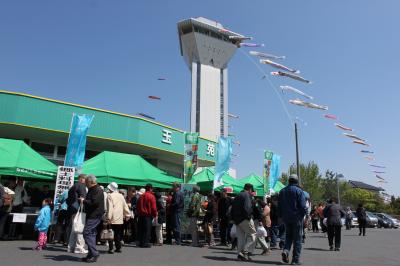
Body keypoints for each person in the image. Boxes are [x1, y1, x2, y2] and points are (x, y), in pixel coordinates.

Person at [278, 174, 307, 265]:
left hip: (286, 218)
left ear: (289, 181)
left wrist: (281, 217)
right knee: (297, 239)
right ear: (296, 181)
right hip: (297, 218)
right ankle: (295, 260)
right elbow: (303, 206)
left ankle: (286, 251)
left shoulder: (282, 191)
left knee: (288, 237)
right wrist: (304, 215)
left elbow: (279, 206)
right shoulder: (299, 191)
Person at [81, 175, 105, 263]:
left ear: (91, 182)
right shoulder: (94, 189)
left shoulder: (97, 189)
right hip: (92, 214)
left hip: (95, 215)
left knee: (86, 232)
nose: (86, 184)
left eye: (87, 182)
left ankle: (94, 253)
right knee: (91, 233)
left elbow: (94, 202)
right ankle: (91, 254)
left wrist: (83, 201)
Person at [231, 183, 256, 261]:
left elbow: (232, 208)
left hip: (237, 220)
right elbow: (247, 207)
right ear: (250, 189)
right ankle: (244, 251)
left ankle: (240, 255)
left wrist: (233, 219)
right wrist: (248, 217)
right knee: (253, 235)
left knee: (241, 238)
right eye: (252, 190)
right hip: (244, 219)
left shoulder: (238, 195)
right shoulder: (247, 195)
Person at [106, 182, 130, 254]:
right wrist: (127, 214)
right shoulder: (121, 195)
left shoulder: (109, 195)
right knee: (118, 233)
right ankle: (118, 247)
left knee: (111, 233)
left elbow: (110, 208)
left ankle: (111, 248)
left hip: (112, 216)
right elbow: (125, 206)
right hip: (119, 217)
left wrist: (108, 217)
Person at [66, 174, 88, 254]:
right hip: (78, 210)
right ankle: (79, 247)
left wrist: (73, 207)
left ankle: (71, 247)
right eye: (86, 180)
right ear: (82, 179)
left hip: (72, 209)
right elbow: (83, 198)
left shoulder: (73, 186)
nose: (86, 181)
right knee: (79, 228)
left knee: (74, 228)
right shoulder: (81, 186)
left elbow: (68, 200)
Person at [136, 184, 157, 248]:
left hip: (140, 215)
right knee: (147, 230)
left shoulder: (141, 196)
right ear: (150, 188)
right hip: (147, 215)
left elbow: (137, 206)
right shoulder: (151, 196)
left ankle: (141, 242)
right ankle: (145, 243)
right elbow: (153, 207)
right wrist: (155, 214)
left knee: (141, 229)